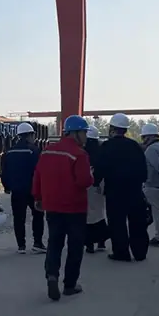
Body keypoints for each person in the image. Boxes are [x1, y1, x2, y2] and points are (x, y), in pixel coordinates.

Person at [32, 115, 93, 301]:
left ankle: (52, 275)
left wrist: (38, 197)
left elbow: (38, 176)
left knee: (54, 243)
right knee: (75, 247)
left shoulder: (47, 152)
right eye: (84, 132)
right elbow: (84, 181)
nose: (86, 137)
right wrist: (91, 175)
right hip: (75, 208)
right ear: (75, 133)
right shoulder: (79, 154)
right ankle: (70, 285)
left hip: (52, 207)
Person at [93, 113, 150, 262]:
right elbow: (144, 170)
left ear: (112, 128)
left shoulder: (107, 146)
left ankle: (121, 252)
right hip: (134, 191)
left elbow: (100, 168)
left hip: (114, 192)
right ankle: (140, 252)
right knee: (137, 222)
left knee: (117, 223)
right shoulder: (134, 146)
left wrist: (96, 182)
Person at [1, 122, 45, 254]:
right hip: (32, 190)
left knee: (18, 218)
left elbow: (5, 171)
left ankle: (21, 245)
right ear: (30, 135)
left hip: (17, 190)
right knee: (38, 215)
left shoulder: (10, 151)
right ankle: (37, 243)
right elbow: (40, 171)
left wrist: (7, 186)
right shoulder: (34, 151)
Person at [84, 125, 108, 254]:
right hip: (99, 184)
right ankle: (101, 241)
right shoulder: (101, 151)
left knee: (88, 214)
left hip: (87, 184)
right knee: (99, 212)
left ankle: (89, 244)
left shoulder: (82, 151)